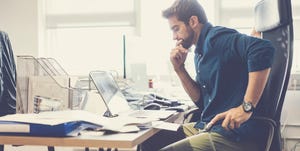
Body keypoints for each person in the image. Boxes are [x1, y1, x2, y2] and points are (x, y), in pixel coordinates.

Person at [141, 0, 275, 150]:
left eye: (176, 29)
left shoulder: (217, 39)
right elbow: (203, 103)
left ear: (193, 21)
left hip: (235, 134)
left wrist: (246, 107)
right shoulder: (200, 52)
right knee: (149, 140)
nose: (174, 37)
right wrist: (180, 69)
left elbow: (262, 48)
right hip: (211, 125)